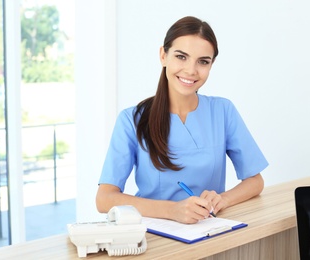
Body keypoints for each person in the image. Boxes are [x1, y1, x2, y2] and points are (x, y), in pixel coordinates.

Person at [96, 16, 268, 224]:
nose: (191, 70)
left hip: (208, 230)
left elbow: (255, 181)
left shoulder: (223, 110)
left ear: (211, 65)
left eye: (203, 61)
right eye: (181, 57)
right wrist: (172, 210)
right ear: (163, 56)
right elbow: (104, 199)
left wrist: (223, 199)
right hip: (153, 236)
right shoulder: (131, 120)